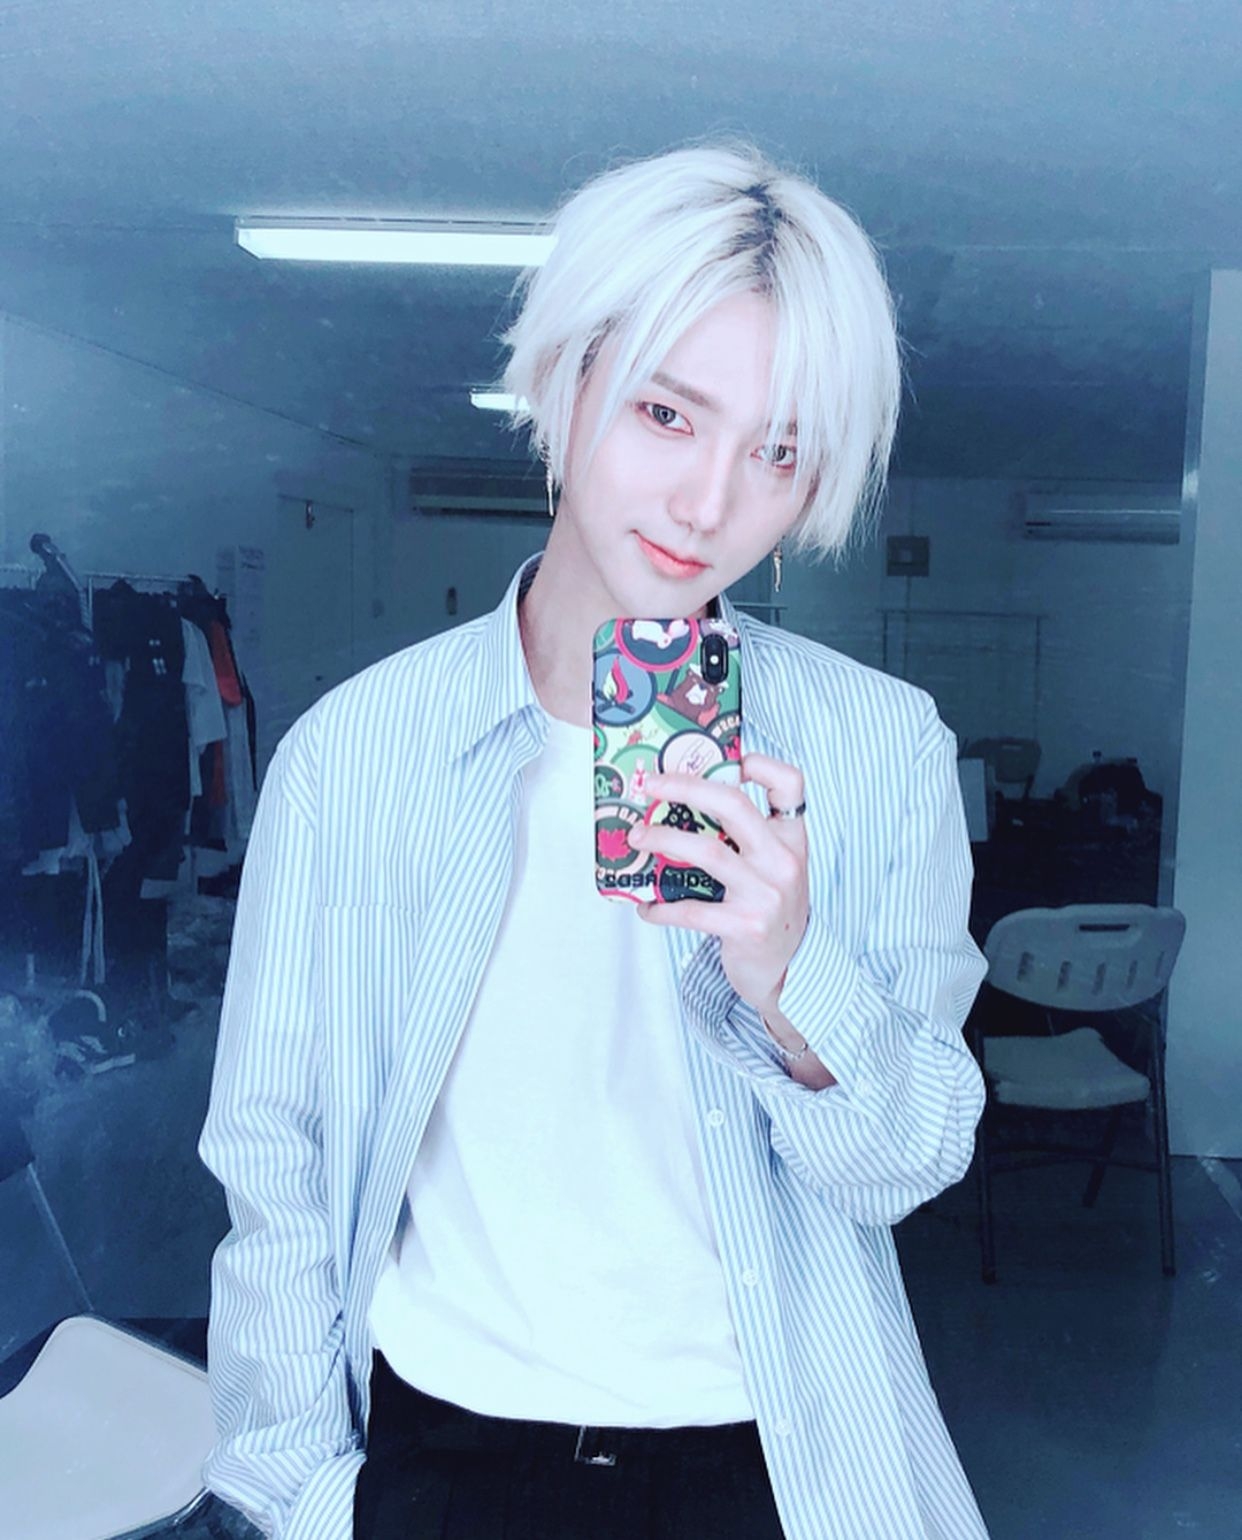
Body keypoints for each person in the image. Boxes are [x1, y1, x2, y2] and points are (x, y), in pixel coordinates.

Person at [199, 142, 991, 1540]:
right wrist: (300, 1488)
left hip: (774, 1463)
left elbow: (905, 1165)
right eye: (668, 414)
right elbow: (277, 1154)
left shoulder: (880, 750)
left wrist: (788, 977)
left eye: (778, 451)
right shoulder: (356, 755)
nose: (708, 504)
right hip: (443, 1456)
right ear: (563, 387)